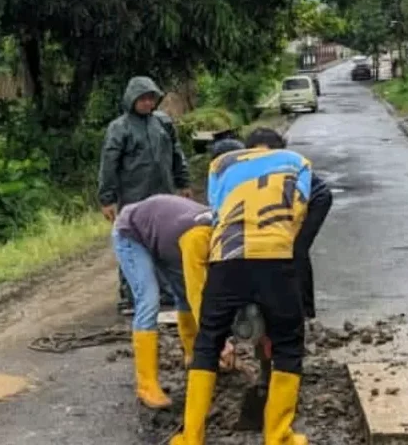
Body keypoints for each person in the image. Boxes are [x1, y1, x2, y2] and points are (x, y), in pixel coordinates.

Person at [172, 128, 312, 445]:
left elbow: (218, 210)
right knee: (289, 344)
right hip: (275, 257)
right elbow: (298, 211)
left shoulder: (222, 164)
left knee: (208, 340)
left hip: (227, 258)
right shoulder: (297, 162)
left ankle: (191, 437)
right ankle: (278, 436)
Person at [97, 76, 192, 312]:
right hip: (133, 196)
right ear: (131, 100)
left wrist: (183, 182)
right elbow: (108, 163)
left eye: (151, 98)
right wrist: (106, 198)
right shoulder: (119, 128)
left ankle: (169, 292)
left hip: (164, 194)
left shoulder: (162, 123)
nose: (148, 103)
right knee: (132, 242)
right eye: (143, 99)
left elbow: (177, 154)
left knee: (167, 242)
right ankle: (131, 294)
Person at [210, 137, 333, 319]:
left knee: (294, 250)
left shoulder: (255, 166)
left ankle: (304, 310)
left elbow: (292, 205)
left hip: (314, 200)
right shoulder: (234, 174)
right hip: (285, 201)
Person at [111, 194, 210, 409]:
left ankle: (194, 355)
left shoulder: (216, 234)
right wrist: (216, 339)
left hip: (164, 234)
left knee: (182, 293)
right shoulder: (194, 240)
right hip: (132, 234)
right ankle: (146, 385)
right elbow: (198, 292)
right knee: (149, 301)